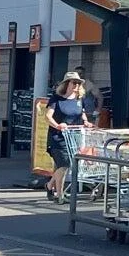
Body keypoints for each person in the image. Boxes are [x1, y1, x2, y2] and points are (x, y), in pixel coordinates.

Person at [44, 71, 100, 201]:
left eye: (78, 83)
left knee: (65, 165)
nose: (76, 85)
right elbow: (47, 117)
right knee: (64, 165)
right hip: (58, 138)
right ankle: (60, 195)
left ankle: (49, 185)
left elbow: (82, 114)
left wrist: (86, 122)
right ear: (66, 84)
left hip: (74, 137)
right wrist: (58, 125)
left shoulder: (79, 100)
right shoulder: (56, 99)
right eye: (74, 82)